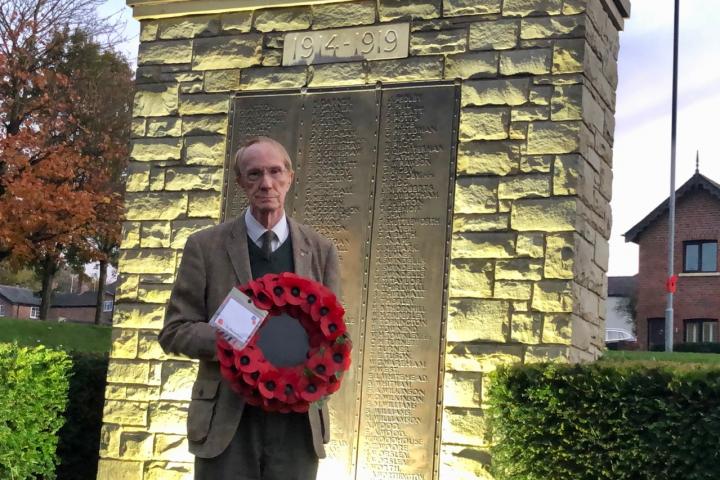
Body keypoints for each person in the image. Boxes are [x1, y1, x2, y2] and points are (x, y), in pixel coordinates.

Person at [158, 136, 340, 480]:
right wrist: (236, 338)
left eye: (274, 172)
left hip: (297, 425)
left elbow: (335, 338)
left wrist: (320, 373)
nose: (266, 183)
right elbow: (174, 331)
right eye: (254, 174)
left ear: (289, 177)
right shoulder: (204, 246)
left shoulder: (321, 250)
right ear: (240, 182)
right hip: (227, 425)